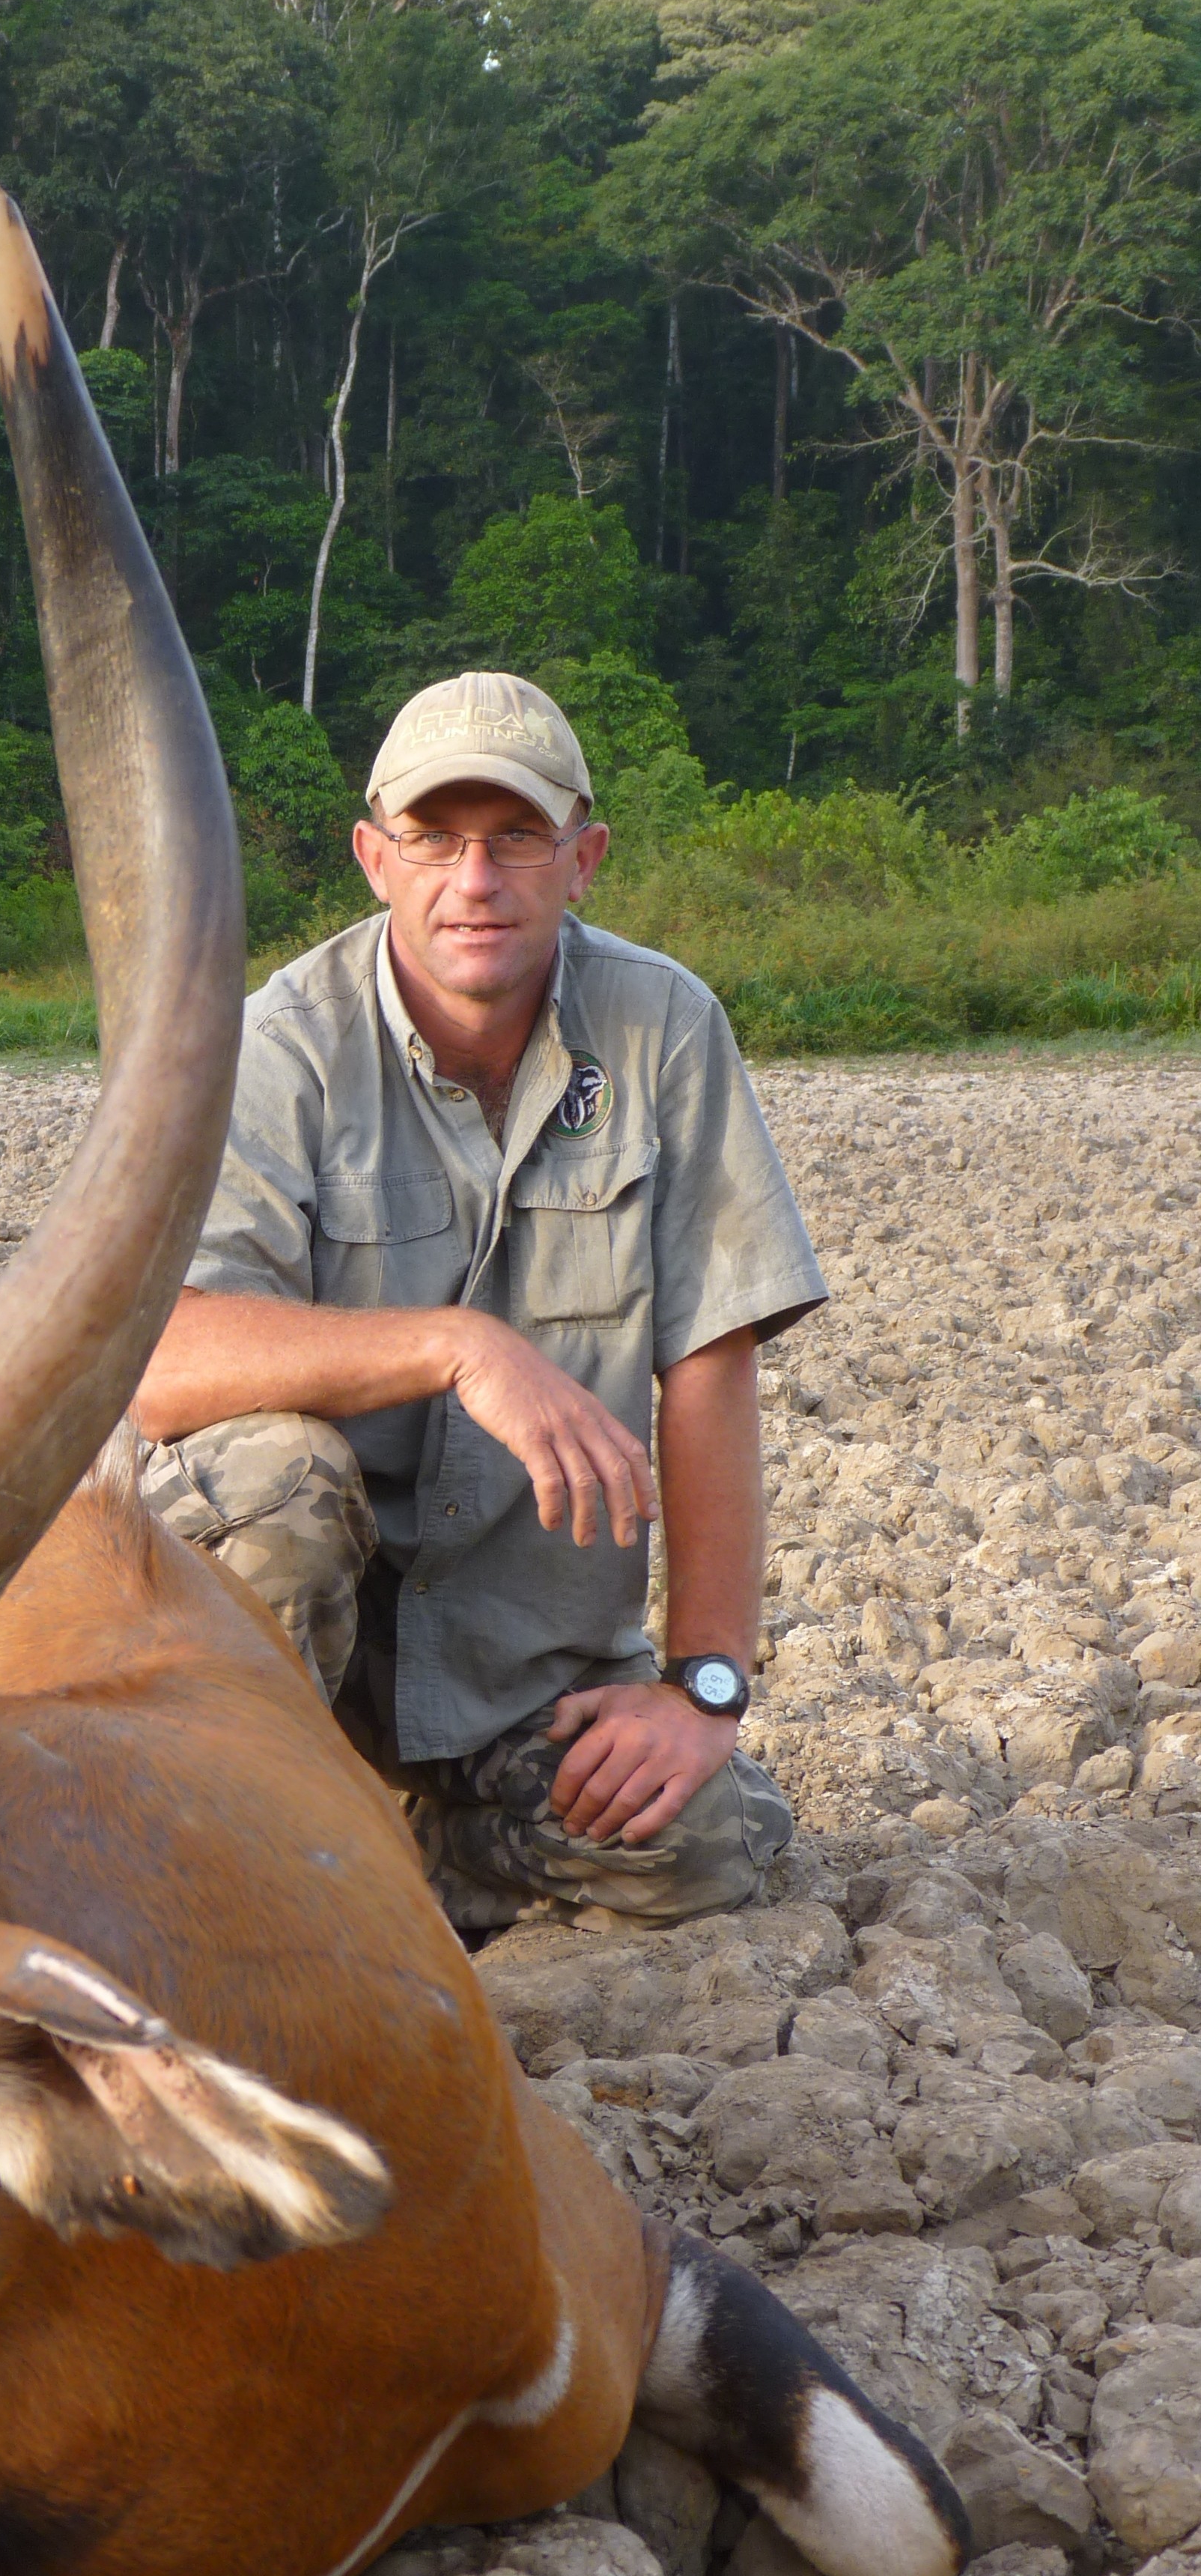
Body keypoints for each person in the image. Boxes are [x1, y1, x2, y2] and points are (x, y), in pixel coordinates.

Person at [132, 670, 826, 1933]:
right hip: (291, 1659)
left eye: (515, 837)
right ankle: (240, 1849)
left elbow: (714, 1368)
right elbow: (160, 1359)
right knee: (279, 1477)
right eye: (434, 839)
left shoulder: (665, 1028)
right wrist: (457, 1348)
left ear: (583, 859)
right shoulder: (273, 1051)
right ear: (373, 858)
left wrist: (703, 1691)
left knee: (701, 1849)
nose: (476, 880)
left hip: (513, 1672)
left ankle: (397, 1854)